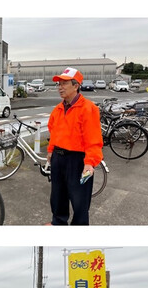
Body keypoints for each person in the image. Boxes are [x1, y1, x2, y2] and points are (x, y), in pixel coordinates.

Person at [47, 67, 103, 225]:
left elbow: (93, 139)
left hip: (77, 160)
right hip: (58, 158)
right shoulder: (58, 109)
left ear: (76, 85)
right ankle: (58, 223)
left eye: (64, 83)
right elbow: (54, 132)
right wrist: (51, 151)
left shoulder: (88, 108)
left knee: (80, 202)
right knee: (57, 198)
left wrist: (89, 162)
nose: (60, 87)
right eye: (59, 84)